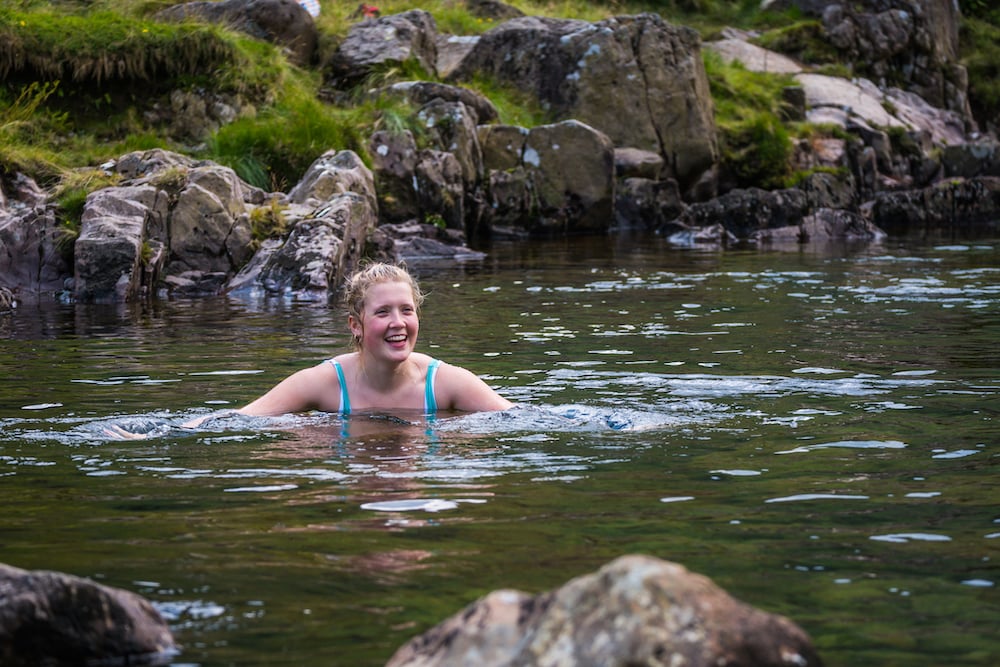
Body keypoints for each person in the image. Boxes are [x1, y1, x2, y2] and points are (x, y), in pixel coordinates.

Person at [106, 263, 511, 438]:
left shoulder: (447, 383)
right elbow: (239, 419)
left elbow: (526, 420)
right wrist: (156, 431)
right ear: (355, 324)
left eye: (407, 310)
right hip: (351, 458)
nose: (398, 323)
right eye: (382, 312)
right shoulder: (323, 382)